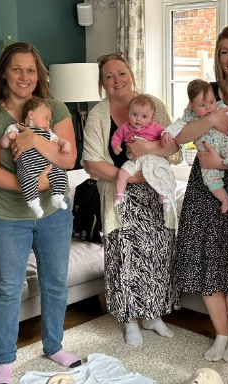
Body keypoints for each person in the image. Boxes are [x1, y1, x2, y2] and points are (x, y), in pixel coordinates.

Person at [0, 42, 81, 384]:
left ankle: (54, 345)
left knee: (55, 284)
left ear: (39, 74)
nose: (24, 76)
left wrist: (35, 143)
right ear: (4, 72)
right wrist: (36, 185)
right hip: (6, 216)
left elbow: (68, 159)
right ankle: (4, 359)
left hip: (53, 216)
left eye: (31, 70)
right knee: (7, 287)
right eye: (17, 69)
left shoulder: (56, 108)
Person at [168, 24, 228, 363]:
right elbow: (181, 137)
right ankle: (220, 335)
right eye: (224, 52)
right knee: (205, 258)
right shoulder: (207, 92)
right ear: (218, 58)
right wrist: (212, 121)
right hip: (202, 185)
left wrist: (225, 166)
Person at [82, 51, 181, 346]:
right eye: (109, 76)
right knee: (124, 256)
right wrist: (134, 177)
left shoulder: (154, 106)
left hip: (156, 194)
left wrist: (148, 154)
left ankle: (153, 314)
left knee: (157, 254)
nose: (117, 80)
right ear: (102, 83)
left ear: (132, 75)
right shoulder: (99, 115)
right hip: (120, 195)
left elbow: (175, 149)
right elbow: (91, 163)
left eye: (121, 73)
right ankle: (130, 320)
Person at [162, 79, 228, 214]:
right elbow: (177, 128)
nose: (209, 107)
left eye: (211, 102)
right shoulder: (189, 117)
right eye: (202, 105)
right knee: (210, 180)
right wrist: (167, 132)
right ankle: (224, 198)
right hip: (207, 158)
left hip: (226, 145)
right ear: (192, 106)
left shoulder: (221, 108)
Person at [110, 94, 178, 231]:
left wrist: (166, 136)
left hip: (152, 159)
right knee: (122, 173)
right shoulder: (125, 127)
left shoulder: (155, 128)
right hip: (134, 160)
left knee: (159, 173)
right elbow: (116, 136)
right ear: (128, 114)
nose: (138, 119)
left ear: (151, 118)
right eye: (134, 114)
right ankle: (120, 195)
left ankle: (163, 193)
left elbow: (167, 135)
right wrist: (116, 145)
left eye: (144, 117)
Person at [0, 97, 73, 218]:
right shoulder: (16, 128)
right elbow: (4, 144)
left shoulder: (47, 132)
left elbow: (58, 140)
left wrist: (66, 144)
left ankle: (57, 198)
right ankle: (34, 204)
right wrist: (8, 136)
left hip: (47, 166)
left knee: (60, 175)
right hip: (28, 167)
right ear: (31, 114)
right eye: (46, 118)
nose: (48, 123)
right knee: (26, 180)